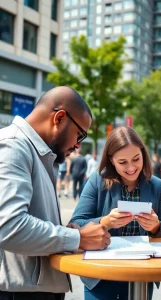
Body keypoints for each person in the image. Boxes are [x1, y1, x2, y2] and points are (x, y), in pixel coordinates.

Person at [0, 86, 111, 300]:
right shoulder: (13, 146)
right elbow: (9, 226)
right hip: (18, 292)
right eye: (80, 135)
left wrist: (62, 231)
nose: (78, 145)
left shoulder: (37, 153)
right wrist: (77, 238)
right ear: (59, 118)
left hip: (32, 288)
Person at [69, 126, 161, 300]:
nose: (131, 168)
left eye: (136, 159)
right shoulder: (97, 181)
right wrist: (106, 222)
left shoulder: (156, 185)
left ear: (143, 155)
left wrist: (155, 227)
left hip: (141, 274)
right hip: (101, 273)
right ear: (111, 161)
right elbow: (75, 223)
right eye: (122, 162)